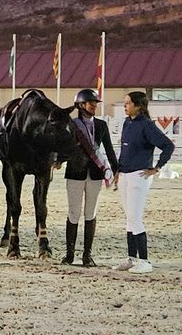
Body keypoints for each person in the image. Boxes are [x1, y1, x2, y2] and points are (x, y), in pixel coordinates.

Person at [113, 91, 174, 274]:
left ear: (138, 106)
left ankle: (145, 260)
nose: (125, 106)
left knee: (135, 217)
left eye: (128, 104)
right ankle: (132, 258)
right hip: (125, 174)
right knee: (129, 218)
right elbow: (124, 150)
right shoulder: (127, 122)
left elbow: (168, 146)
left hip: (139, 175)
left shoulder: (147, 125)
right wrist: (118, 170)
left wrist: (157, 167)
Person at [62, 88, 119, 267]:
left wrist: (116, 169)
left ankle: (87, 255)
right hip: (74, 173)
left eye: (95, 103)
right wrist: (58, 161)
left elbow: (108, 148)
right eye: (91, 103)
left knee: (90, 213)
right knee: (74, 213)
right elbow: (64, 147)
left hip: (95, 173)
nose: (94, 106)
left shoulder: (101, 125)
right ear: (81, 105)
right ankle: (69, 254)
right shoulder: (71, 125)